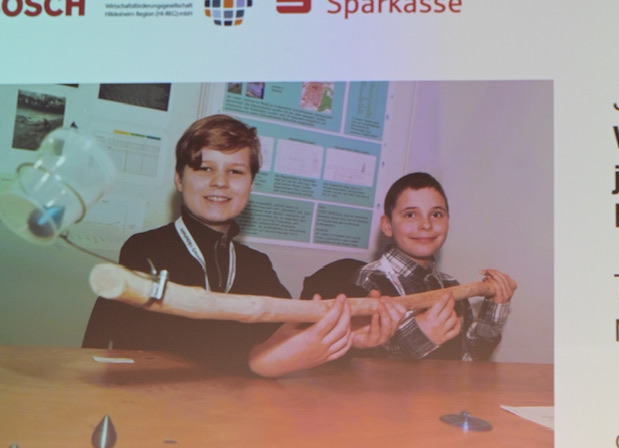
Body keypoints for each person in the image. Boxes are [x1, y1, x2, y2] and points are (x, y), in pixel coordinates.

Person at [83, 114, 400, 376]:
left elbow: (285, 338)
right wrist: (256, 360)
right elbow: (165, 343)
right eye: (204, 169)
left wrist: (345, 338)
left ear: (250, 184)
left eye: (235, 171)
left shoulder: (255, 264)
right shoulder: (144, 250)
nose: (220, 182)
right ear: (179, 178)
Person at [353, 171, 517, 361]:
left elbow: (470, 359)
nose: (426, 225)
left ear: (448, 220)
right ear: (388, 225)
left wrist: (493, 311)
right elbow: (361, 366)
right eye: (410, 215)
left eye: (436, 214)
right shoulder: (368, 281)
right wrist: (419, 336)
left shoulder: (451, 285)